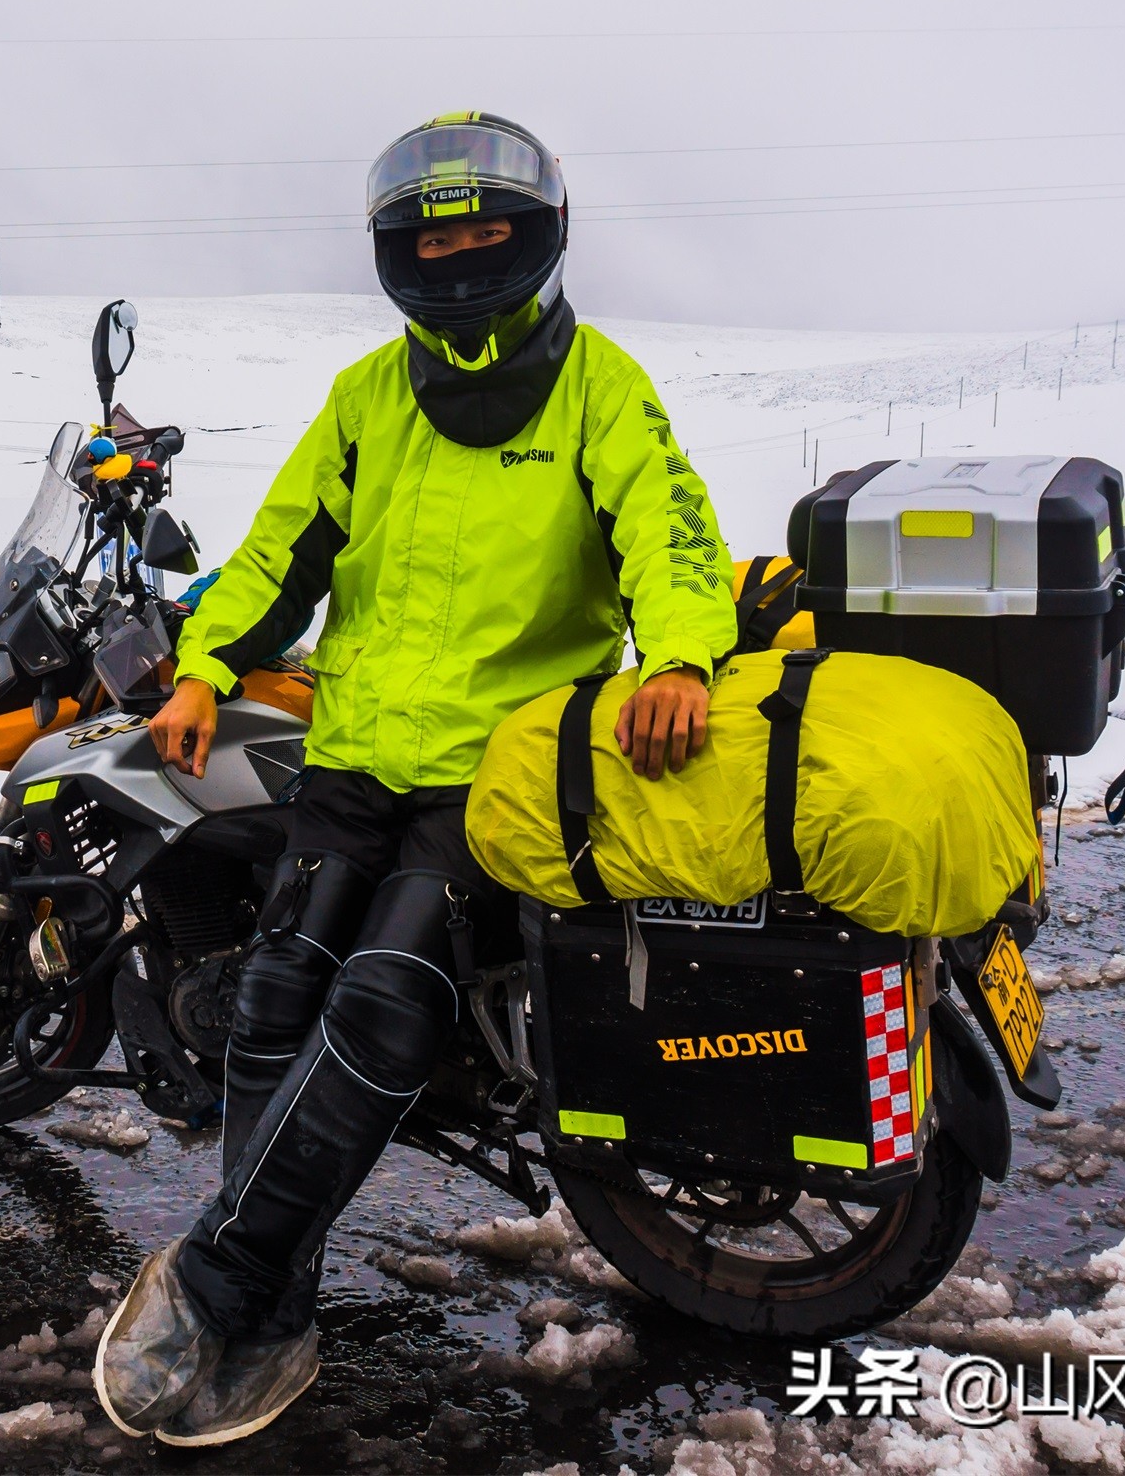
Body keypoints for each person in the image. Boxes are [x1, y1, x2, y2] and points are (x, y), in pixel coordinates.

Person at [93, 111, 739, 1446]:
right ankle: (280, 1303)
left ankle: (219, 1281)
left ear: (537, 237)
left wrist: (681, 657)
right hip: (355, 752)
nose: (457, 257)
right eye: (432, 240)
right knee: (273, 995)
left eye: (484, 231)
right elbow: (279, 554)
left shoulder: (601, 388)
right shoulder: (368, 397)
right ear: (398, 254)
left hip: (495, 774)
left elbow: (671, 535)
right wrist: (207, 666)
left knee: (384, 1002)